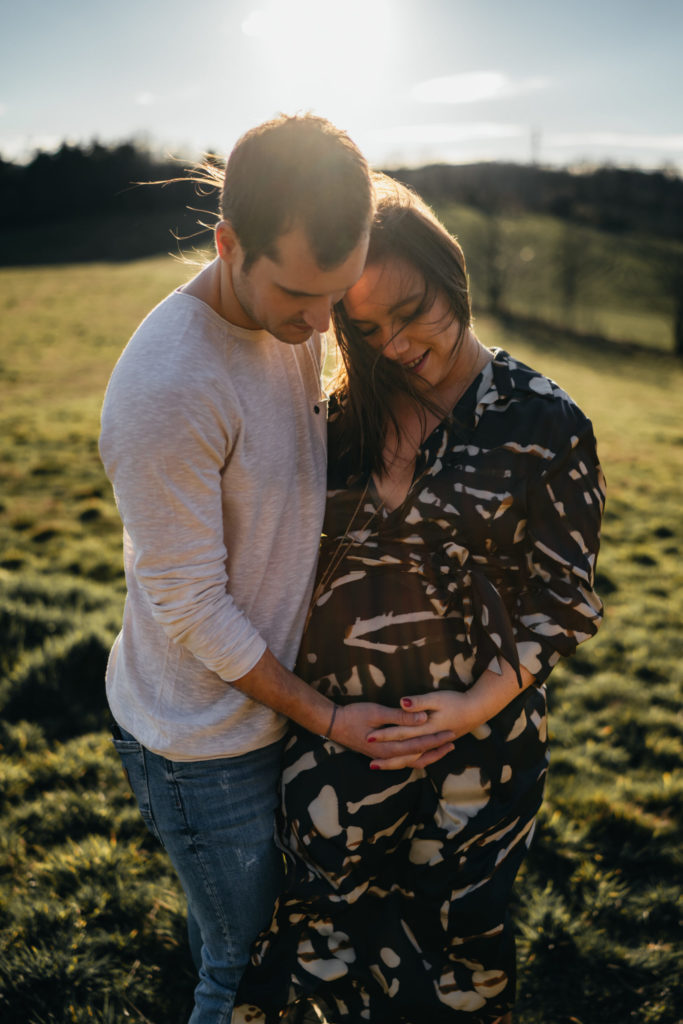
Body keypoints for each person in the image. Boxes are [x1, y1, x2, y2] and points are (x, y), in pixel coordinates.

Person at [99, 119, 450, 1024]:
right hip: (202, 738)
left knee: (254, 930)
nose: (318, 325)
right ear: (226, 243)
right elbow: (191, 606)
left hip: (277, 701)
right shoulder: (168, 387)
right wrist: (329, 718)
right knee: (243, 965)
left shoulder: (299, 311)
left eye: (335, 295)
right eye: (298, 295)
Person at [233, 174, 606, 1024]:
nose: (395, 343)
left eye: (410, 312)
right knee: (323, 958)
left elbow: (564, 599)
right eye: (366, 328)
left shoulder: (546, 422)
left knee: (457, 961)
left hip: (481, 748)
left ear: (453, 278)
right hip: (333, 744)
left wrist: (470, 706)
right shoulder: (334, 414)